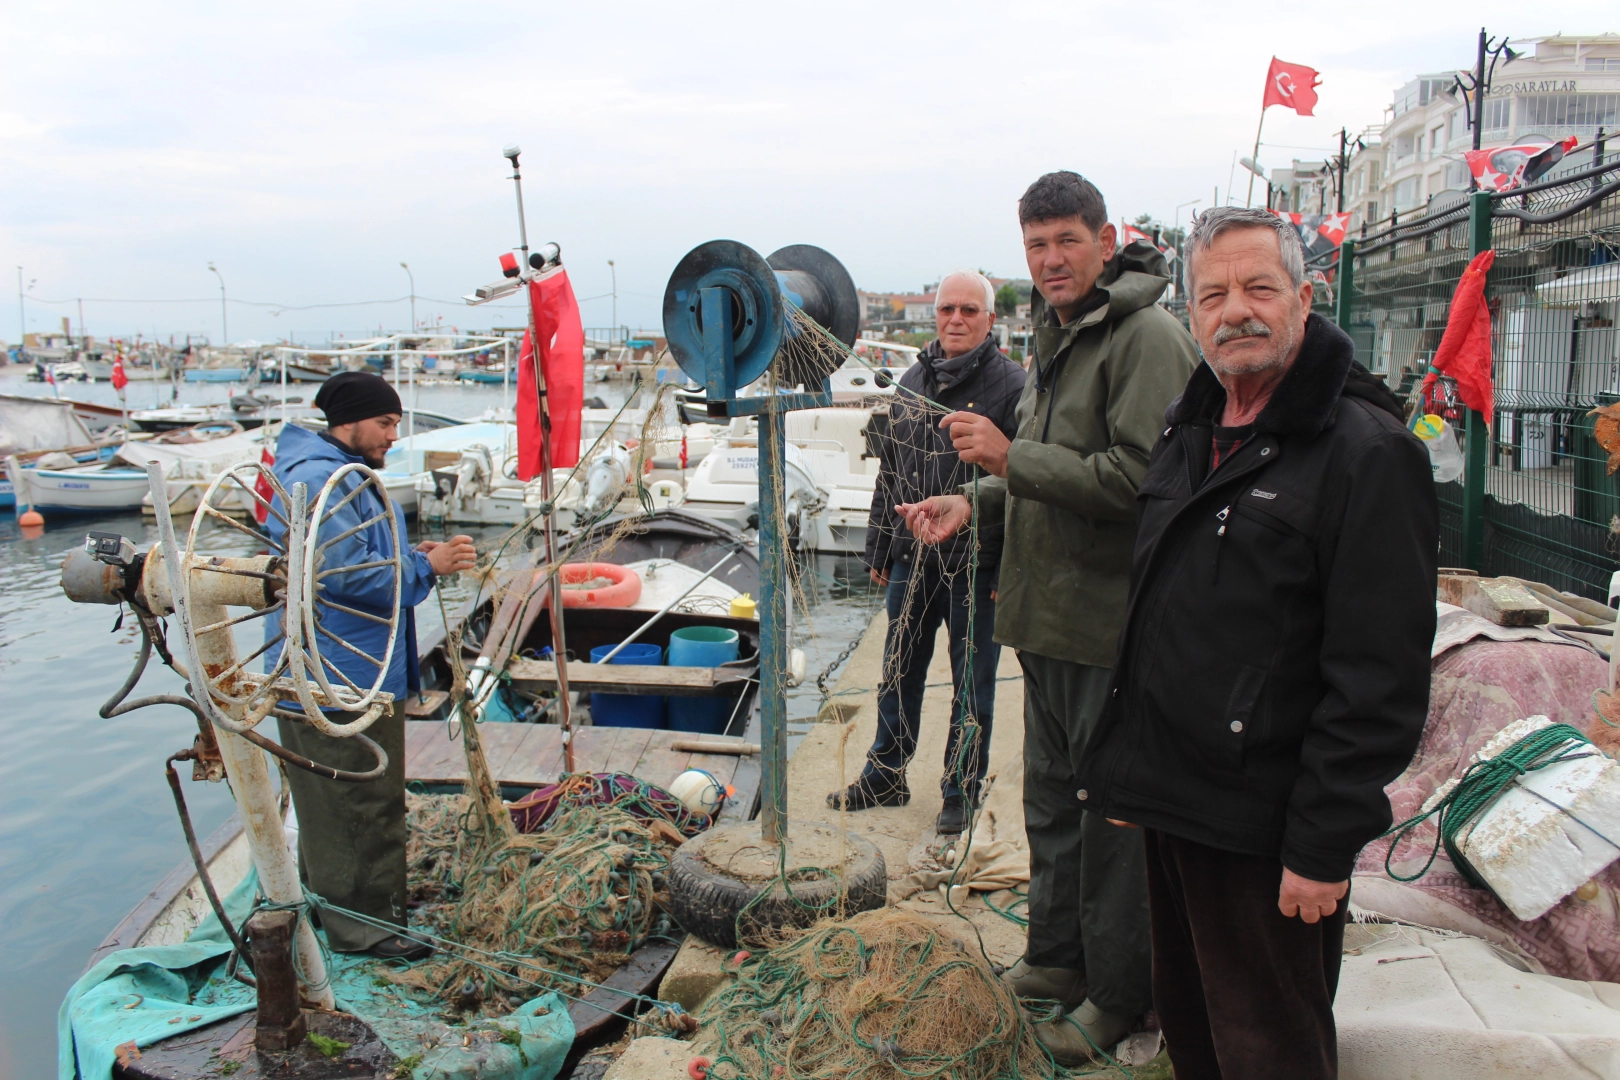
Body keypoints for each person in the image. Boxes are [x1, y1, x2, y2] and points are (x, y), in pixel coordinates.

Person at [1076, 206, 1437, 1079]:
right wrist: (1133, 770)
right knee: (1196, 1038)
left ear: (1304, 299)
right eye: (1213, 294)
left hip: (1267, 831)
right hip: (1178, 807)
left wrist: (1321, 845)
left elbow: (1377, 679)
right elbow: (1160, 615)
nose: (1235, 310)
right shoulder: (1188, 424)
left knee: (1269, 1053)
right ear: (1192, 313)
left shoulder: (1367, 452)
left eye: (1258, 288)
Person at [900, 171, 1199, 1061]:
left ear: (1106, 242)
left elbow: (1145, 482)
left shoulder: (1146, 338)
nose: (1051, 258)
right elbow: (1045, 479)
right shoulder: (1060, 335)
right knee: (1053, 809)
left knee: (1112, 823)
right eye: (1036, 244)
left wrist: (1008, 455)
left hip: (1110, 629)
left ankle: (1117, 994)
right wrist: (976, 501)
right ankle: (1057, 961)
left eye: (1068, 240)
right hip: (1047, 619)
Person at [265, 371, 477, 960]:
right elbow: (345, 575)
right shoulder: (322, 478)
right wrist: (426, 569)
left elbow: (346, 559)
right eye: (385, 423)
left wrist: (417, 557)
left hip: (330, 665)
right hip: (340, 674)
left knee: (329, 805)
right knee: (361, 800)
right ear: (350, 421)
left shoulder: (324, 471)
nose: (392, 436)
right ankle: (369, 931)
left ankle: (334, 906)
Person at [828, 269, 1026, 835]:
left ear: (990, 320)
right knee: (898, 671)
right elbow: (891, 469)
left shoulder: (1013, 388)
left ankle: (960, 789)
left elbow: (1024, 481)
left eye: (969, 310)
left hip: (977, 564)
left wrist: (1008, 567)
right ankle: (885, 773)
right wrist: (879, 547)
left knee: (972, 685)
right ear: (935, 315)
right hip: (913, 561)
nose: (956, 319)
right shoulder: (913, 378)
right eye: (947, 310)